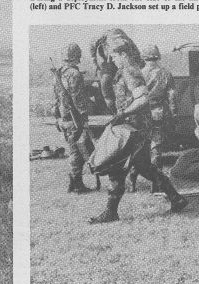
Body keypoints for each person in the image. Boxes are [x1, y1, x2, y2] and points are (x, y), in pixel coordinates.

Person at [89, 39, 187, 224]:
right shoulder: (127, 71)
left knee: (117, 166)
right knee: (145, 167)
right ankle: (176, 198)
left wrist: (123, 113)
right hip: (135, 126)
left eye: (116, 56)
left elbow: (142, 100)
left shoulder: (130, 71)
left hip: (134, 127)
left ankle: (111, 211)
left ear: (124, 54)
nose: (113, 59)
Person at [129, 45, 177, 193]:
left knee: (139, 147)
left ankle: (132, 178)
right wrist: (174, 112)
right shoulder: (165, 73)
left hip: (141, 113)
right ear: (158, 56)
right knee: (156, 147)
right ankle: (156, 184)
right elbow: (172, 95)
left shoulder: (138, 74)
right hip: (158, 113)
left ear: (144, 57)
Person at [53, 43, 93, 194]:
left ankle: (74, 183)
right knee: (78, 151)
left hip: (64, 117)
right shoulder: (74, 74)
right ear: (77, 57)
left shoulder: (59, 73)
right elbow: (78, 99)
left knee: (73, 149)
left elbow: (56, 98)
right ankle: (77, 184)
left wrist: (57, 117)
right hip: (74, 118)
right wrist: (84, 117)